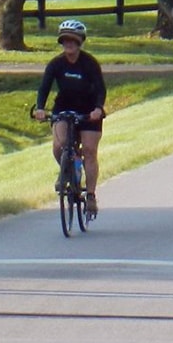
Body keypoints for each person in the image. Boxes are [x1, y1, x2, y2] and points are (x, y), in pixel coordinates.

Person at [33, 19, 107, 215]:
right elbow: (44, 88)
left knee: (90, 151)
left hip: (89, 111)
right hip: (63, 109)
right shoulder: (56, 64)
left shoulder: (89, 63)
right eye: (65, 40)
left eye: (73, 41)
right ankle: (68, 171)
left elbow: (100, 88)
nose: (69, 44)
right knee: (59, 146)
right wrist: (40, 108)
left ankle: (90, 195)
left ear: (80, 42)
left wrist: (98, 108)